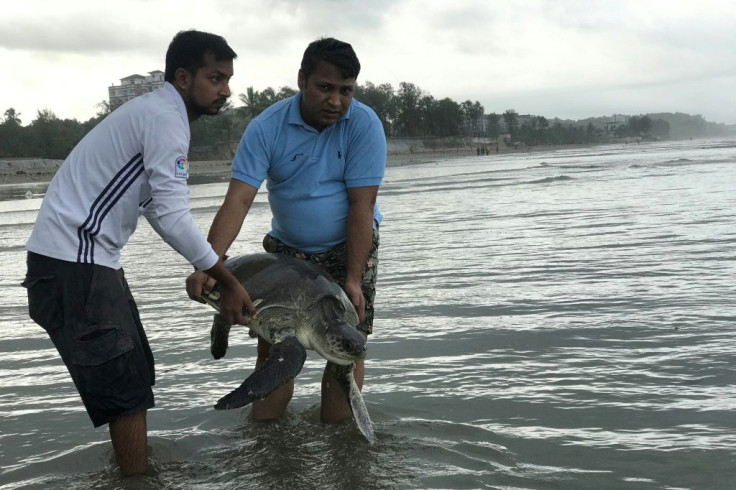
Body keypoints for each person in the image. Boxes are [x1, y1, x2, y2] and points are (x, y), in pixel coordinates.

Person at [22, 30, 256, 476]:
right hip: (76, 263)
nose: (225, 89)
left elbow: (149, 203)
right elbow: (170, 213)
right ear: (183, 78)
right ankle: (136, 480)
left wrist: (206, 266)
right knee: (126, 390)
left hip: (82, 261)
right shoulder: (165, 118)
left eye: (228, 78)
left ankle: (132, 475)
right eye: (216, 77)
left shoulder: (156, 114)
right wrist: (225, 279)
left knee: (134, 375)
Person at [186, 37, 386, 424]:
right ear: (302, 80)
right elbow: (239, 201)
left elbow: (362, 207)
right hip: (288, 252)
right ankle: (266, 443)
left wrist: (354, 280)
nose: (336, 101)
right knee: (276, 349)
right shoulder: (267, 127)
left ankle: (342, 444)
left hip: (350, 245)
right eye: (325, 88)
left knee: (344, 354)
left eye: (346, 91)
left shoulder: (363, 124)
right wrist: (206, 264)